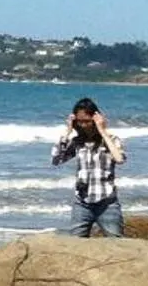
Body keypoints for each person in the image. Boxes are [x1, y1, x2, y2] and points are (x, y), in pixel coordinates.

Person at [51, 96, 126, 236]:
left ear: (95, 118)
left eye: (87, 121)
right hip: (82, 203)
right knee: (75, 245)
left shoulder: (111, 140)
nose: (83, 125)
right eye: (79, 122)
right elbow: (56, 159)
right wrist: (67, 132)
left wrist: (102, 131)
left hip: (107, 203)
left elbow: (119, 158)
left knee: (116, 243)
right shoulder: (77, 142)